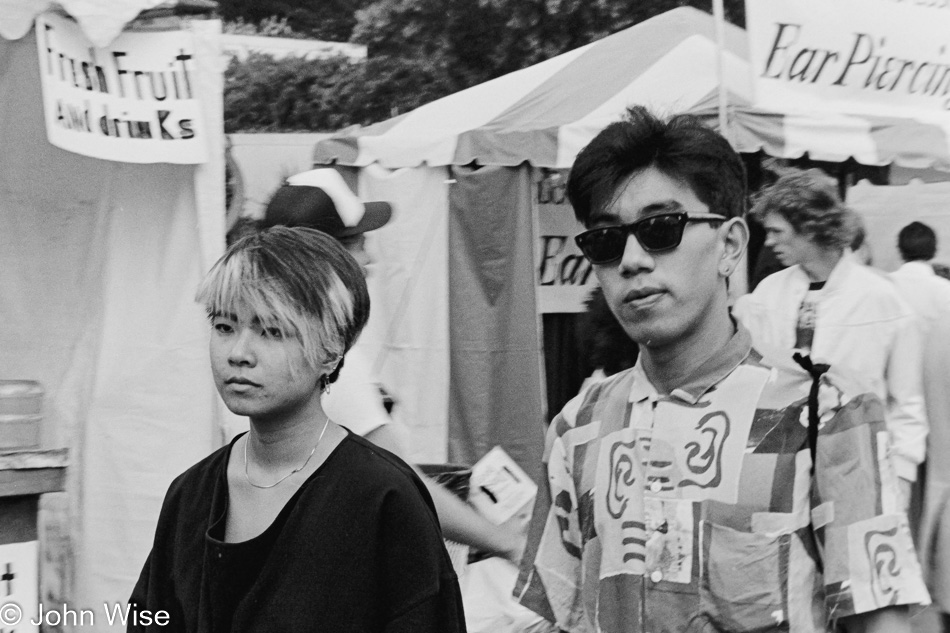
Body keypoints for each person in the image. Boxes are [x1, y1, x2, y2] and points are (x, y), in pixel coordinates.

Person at [514, 106, 928, 632]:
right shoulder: (579, 429)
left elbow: (882, 623)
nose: (633, 260)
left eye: (661, 228)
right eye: (606, 239)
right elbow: (559, 614)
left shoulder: (826, 416)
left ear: (730, 245)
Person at [128, 227, 466, 632]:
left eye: (272, 331)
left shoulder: (384, 498)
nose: (238, 353)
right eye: (224, 326)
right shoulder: (191, 495)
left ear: (330, 351)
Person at [260, 168, 524, 564]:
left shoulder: (274, 340)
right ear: (321, 256)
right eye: (356, 242)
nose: (369, 258)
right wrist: (505, 543)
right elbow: (403, 483)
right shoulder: (324, 358)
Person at [733, 169, 926, 507]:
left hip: (858, 470)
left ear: (809, 227)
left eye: (777, 231)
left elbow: (906, 403)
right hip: (781, 471)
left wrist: (902, 476)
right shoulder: (768, 295)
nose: (769, 242)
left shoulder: (883, 300)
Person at [890, 221, 950, 631]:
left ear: (900, 248)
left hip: (904, 404)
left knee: (915, 499)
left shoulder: (885, 289)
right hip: (938, 400)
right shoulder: (945, 294)